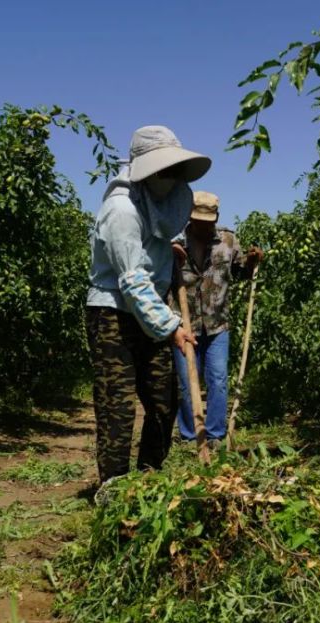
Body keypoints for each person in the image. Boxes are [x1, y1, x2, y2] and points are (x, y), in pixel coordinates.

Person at [86, 125, 210, 484]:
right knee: (117, 409)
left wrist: (165, 253)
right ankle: (114, 489)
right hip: (113, 315)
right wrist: (171, 326)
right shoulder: (121, 209)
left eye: (173, 170)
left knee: (164, 402)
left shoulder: (158, 205)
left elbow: (149, 249)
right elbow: (132, 279)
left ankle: (147, 480)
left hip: (150, 312)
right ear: (145, 170)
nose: (169, 178)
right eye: (163, 170)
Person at [171, 191, 262, 446]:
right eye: (198, 221)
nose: (202, 226)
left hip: (217, 323)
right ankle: (189, 435)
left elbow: (240, 271)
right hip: (184, 323)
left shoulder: (228, 241)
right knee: (186, 381)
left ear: (215, 218)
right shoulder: (176, 242)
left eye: (207, 221)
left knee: (218, 379)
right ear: (190, 218)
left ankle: (214, 434)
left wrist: (251, 262)